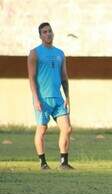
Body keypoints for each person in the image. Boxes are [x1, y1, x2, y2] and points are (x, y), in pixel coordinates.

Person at [27, 22, 73, 170]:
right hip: (42, 99)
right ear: (40, 36)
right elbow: (32, 77)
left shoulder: (60, 53)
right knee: (42, 130)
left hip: (58, 99)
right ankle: (43, 163)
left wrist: (67, 96)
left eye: (50, 31)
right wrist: (35, 98)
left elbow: (64, 77)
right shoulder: (35, 53)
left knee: (67, 128)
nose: (48, 34)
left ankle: (63, 163)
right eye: (45, 32)